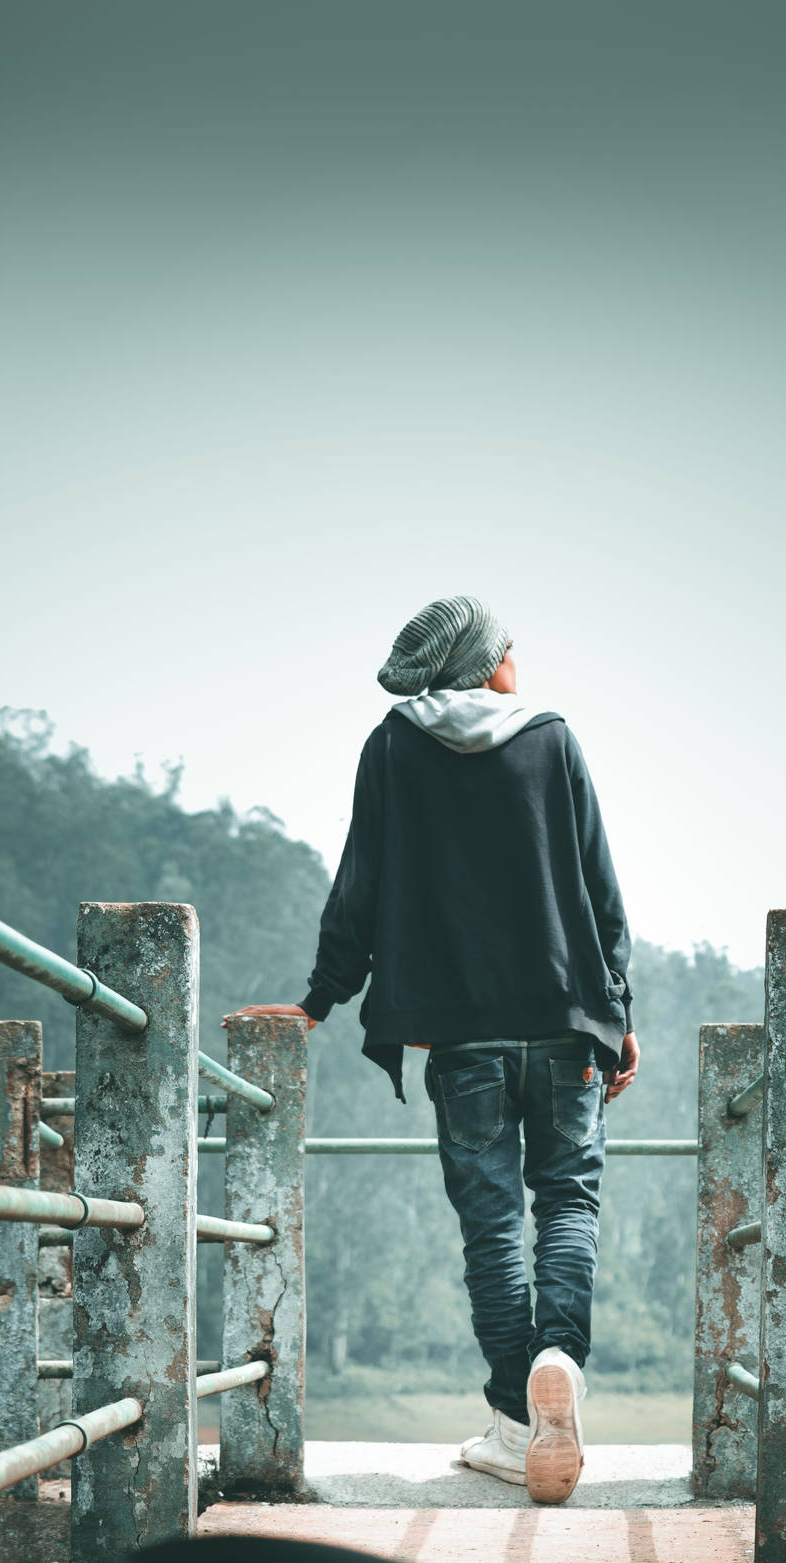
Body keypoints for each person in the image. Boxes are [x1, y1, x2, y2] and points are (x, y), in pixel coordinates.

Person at [233, 595, 638, 1504]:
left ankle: (510, 1421)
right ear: (483, 659)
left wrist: (319, 1000)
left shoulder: (393, 745)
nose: (516, 662)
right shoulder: (554, 740)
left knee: (493, 1224)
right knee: (567, 1200)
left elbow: (360, 887)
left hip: (463, 1040)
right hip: (569, 1022)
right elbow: (600, 890)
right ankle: (559, 1367)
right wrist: (620, 1015)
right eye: (508, 649)